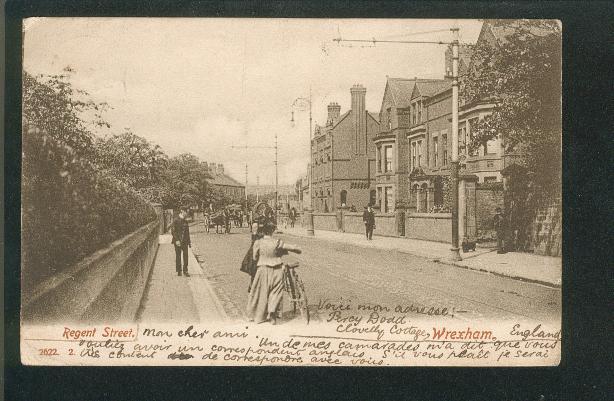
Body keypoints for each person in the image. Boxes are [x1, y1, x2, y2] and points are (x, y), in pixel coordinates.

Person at [246, 217, 301, 324]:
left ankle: (259, 316)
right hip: (277, 269)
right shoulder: (277, 242)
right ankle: (272, 313)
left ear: (263, 231)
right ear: (272, 231)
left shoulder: (258, 243)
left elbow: (254, 257)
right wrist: (297, 249)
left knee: (261, 292)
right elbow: (291, 247)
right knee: (276, 292)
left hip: (262, 269)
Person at [171, 207, 191, 276]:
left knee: (186, 256)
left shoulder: (185, 221)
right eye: (186, 212)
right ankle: (179, 270)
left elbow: (187, 233)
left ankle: (185, 270)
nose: (187, 213)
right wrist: (176, 240)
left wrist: (189, 242)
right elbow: (173, 231)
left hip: (185, 241)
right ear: (182, 211)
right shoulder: (176, 220)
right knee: (178, 256)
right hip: (178, 241)